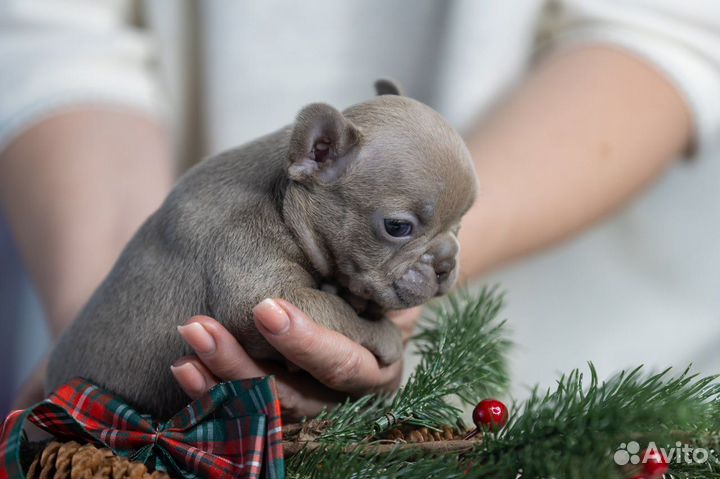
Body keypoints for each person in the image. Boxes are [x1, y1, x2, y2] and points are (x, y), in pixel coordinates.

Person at [1, 0, 718, 419]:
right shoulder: (230, 213)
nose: (439, 264)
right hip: (102, 246)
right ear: (315, 153)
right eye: (402, 230)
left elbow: (663, 26)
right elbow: (48, 28)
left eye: (450, 233)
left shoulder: (352, 190)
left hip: (608, 375)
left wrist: (385, 300)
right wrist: (95, 286)